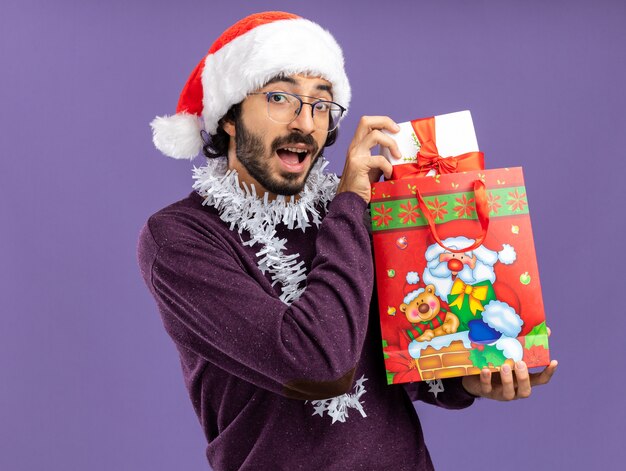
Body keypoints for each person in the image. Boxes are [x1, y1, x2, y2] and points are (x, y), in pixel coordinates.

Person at [137, 11, 557, 471]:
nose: (306, 122)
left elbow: (398, 351)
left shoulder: (347, 211)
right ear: (230, 116)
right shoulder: (179, 239)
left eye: (321, 104)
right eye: (281, 97)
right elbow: (319, 363)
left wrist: (466, 382)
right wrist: (352, 202)